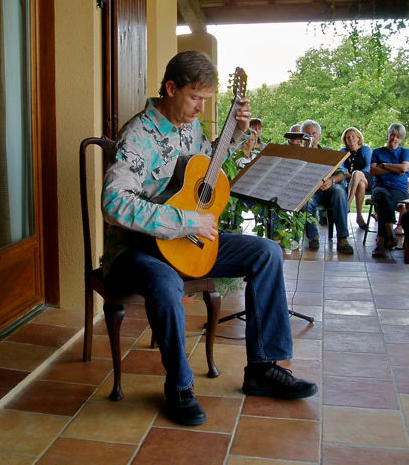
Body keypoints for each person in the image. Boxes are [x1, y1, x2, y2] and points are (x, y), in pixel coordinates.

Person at [102, 51, 318, 427]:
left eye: (206, 100)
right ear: (171, 88)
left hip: (188, 244)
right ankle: (180, 387)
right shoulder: (137, 135)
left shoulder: (190, 128)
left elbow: (206, 166)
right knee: (166, 282)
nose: (201, 108)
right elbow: (113, 202)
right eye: (195, 98)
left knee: (266, 252)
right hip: (137, 249)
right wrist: (186, 221)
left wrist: (233, 134)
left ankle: (263, 368)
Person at [301, 120, 354, 254]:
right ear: (302, 136)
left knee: (339, 192)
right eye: (307, 134)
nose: (311, 137)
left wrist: (331, 181)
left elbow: (341, 173)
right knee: (305, 201)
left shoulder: (328, 152)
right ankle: (313, 237)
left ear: (319, 135)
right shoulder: (298, 154)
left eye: (313, 133)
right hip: (310, 191)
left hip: (329, 189)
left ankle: (343, 238)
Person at [370, 123, 409, 258]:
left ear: (401, 139)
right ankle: (390, 234)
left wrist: (385, 165)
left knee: (384, 202)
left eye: (397, 137)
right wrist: (395, 168)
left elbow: (404, 169)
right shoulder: (377, 152)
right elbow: (373, 171)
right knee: (383, 196)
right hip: (379, 187)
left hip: (398, 189)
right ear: (388, 135)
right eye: (392, 135)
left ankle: (381, 241)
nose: (394, 139)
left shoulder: (405, 152)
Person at [339, 127, 373, 229]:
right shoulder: (343, 151)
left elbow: (369, 166)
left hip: (366, 177)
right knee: (360, 185)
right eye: (348, 137)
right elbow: (340, 166)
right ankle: (359, 216)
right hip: (350, 180)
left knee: (357, 174)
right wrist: (347, 174)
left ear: (358, 138)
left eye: (353, 136)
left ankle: (348, 203)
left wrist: (355, 175)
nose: (351, 139)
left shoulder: (365, 149)